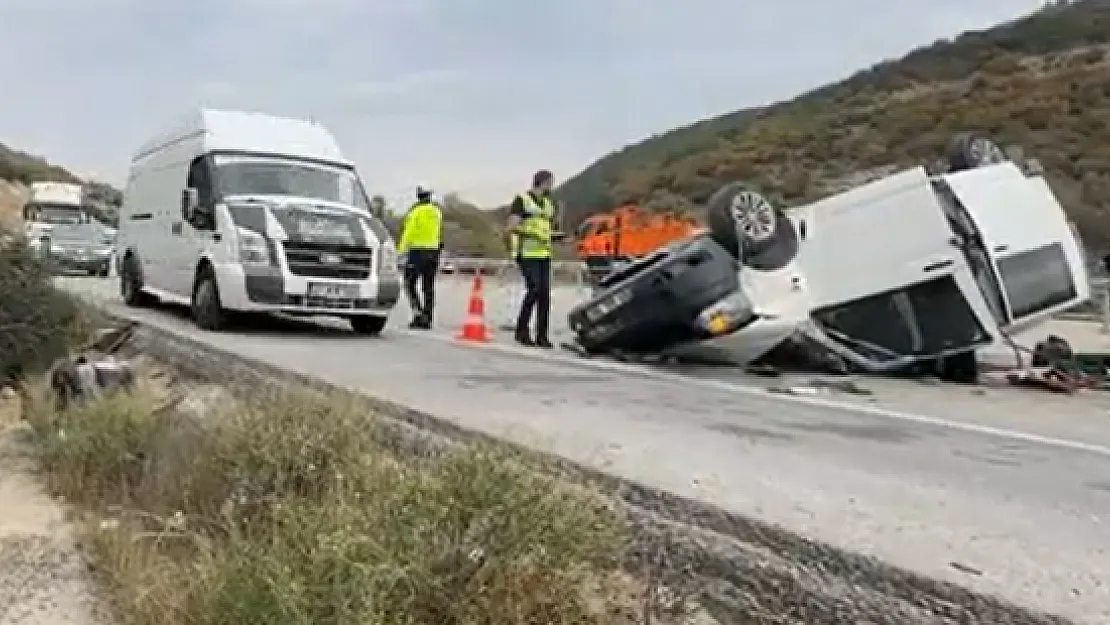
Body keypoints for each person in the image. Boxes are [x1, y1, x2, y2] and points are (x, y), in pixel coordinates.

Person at [505, 170, 562, 348]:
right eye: (550, 183)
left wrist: (554, 235)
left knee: (545, 294)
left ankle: (542, 335)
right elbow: (511, 227)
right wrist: (533, 234)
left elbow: (546, 227)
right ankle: (522, 331)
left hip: (544, 253)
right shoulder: (522, 200)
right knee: (534, 290)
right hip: (527, 253)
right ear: (543, 182)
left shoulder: (547, 204)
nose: (551, 187)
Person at [397, 185, 443, 329]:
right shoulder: (437, 212)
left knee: (409, 283)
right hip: (433, 252)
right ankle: (428, 317)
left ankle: (418, 313)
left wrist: (400, 252)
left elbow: (408, 233)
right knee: (428, 286)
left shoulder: (415, 212)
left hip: (417, 252)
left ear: (418, 197)